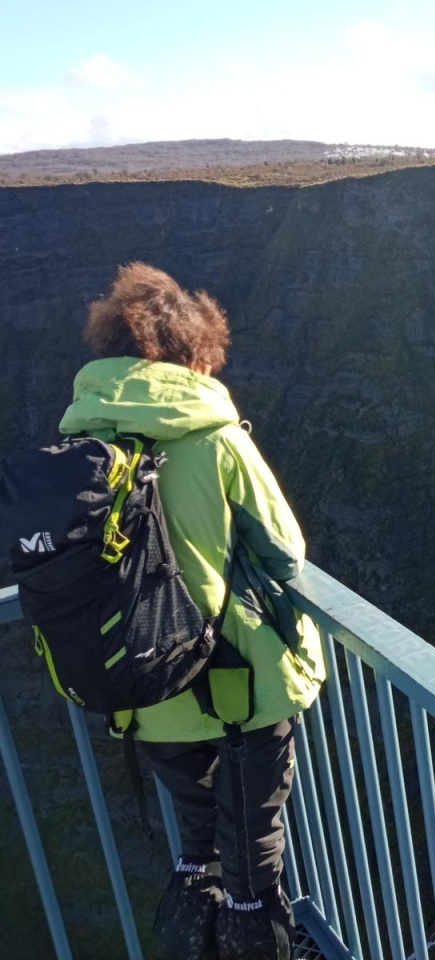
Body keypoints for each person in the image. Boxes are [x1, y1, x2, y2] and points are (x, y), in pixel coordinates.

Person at [58, 262, 325, 960]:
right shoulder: (214, 436)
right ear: (195, 354)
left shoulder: (79, 444)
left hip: (144, 690)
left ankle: (189, 927)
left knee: (198, 838)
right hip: (239, 682)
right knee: (253, 861)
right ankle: (250, 936)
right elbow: (287, 555)